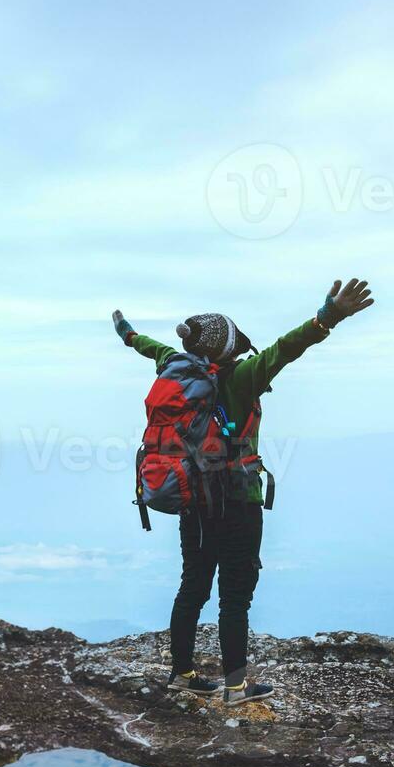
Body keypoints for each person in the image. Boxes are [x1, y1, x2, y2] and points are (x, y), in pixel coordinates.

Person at [110, 278, 374, 706]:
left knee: (192, 586)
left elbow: (149, 346)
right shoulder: (243, 377)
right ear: (230, 346)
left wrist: (126, 334)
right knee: (235, 596)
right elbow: (286, 348)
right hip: (238, 503)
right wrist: (328, 318)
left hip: (193, 501)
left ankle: (182, 673)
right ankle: (235, 687)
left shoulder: (175, 366)